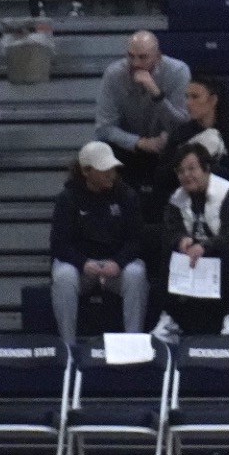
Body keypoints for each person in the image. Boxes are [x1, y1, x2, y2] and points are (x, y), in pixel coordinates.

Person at [158, 140, 229, 338]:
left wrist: (204, 246)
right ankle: (169, 317)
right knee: (167, 251)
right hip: (193, 257)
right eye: (180, 171)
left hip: (221, 254)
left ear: (206, 168)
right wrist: (181, 240)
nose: (186, 175)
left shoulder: (228, 192)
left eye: (191, 168)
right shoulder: (176, 198)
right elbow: (171, 230)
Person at [49, 141, 149, 339]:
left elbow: (136, 240)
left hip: (115, 267)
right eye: (104, 169)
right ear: (86, 171)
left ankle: (134, 341)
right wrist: (83, 263)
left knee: (136, 273)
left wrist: (118, 262)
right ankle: (68, 346)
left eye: (112, 168)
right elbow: (59, 244)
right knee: (63, 276)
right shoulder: (67, 199)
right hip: (81, 267)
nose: (111, 174)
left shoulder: (126, 196)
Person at [94, 30, 190, 182]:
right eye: (130, 56)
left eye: (143, 57)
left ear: (157, 56)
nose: (135, 63)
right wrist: (140, 143)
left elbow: (181, 125)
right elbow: (104, 128)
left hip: (166, 148)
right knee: (100, 150)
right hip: (127, 148)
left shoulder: (178, 72)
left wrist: (155, 93)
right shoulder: (114, 74)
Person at [159, 72, 229, 196]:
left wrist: (207, 167)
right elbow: (162, 177)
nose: (188, 103)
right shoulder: (180, 134)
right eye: (187, 97)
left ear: (213, 100)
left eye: (195, 97)